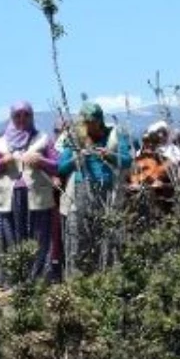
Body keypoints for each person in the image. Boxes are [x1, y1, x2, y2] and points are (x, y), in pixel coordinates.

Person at [58, 103, 132, 278]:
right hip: (82, 188)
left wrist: (108, 155)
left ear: (99, 120)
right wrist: (77, 158)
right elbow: (60, 168)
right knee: (80, 236)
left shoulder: (114, 134)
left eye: (92, 122)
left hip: (107, 191)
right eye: (86, 122)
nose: (89, 126)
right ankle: (79, 280)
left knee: (106, 236)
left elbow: (127, 160)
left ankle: (105, 278)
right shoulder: (75, 138)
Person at [0, 102, 58, 280]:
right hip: (10, 197)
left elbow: (58, 166)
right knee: (12, 237)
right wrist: (3, 162)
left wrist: (41, 161)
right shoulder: (2, 142)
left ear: (31, 117)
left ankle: (38, 277)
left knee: (39, 236)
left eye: (26, 115)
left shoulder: (43, 138)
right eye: (17, 116)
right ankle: (15, 278)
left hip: (37, 196)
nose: (22, 119)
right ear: (12, 118)